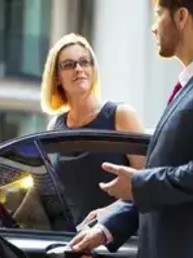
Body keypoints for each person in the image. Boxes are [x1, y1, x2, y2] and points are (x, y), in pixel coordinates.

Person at [68, 1, 193, 258]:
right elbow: (168, 187)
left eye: (158, 16)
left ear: (181, 17)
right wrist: (107, 228)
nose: (153, 28)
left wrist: (137, 183)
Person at [39, 32, 145, 228]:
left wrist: (111, 212)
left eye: (84, 62)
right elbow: (45, 195)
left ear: (93, 70)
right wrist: (0, 216)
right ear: (57, 78)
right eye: (69, 65)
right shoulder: (54, 127)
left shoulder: (121, 115)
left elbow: (148, 184)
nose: (78, 69)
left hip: (116, 239)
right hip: (71, 241)